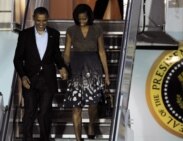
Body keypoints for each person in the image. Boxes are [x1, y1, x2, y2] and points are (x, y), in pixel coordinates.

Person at [13, 7, 68, 141]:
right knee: (30, 112)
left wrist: (62, 67)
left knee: (45, 113)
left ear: (47, 19)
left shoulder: (54, 34)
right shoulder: (25, 35)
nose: (41, 24)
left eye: (44, 21)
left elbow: (56, 55)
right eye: (38, 21)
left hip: (48, 80)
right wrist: (23, 76)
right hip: (30, 80)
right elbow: (18, 59)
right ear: (33, 18)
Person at [63, 4, 110, 141]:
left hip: (93, 67)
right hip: (76, 68)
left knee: (93, 104)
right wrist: (63, 67)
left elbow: (101, 51)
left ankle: (91, 124)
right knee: (76, 107)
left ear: (89, 16)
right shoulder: (71, 30)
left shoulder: (97, 29)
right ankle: (78, 138)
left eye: (84, 18)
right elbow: (66, 52)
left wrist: (106, 74)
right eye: (79, 19)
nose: (82, 21)